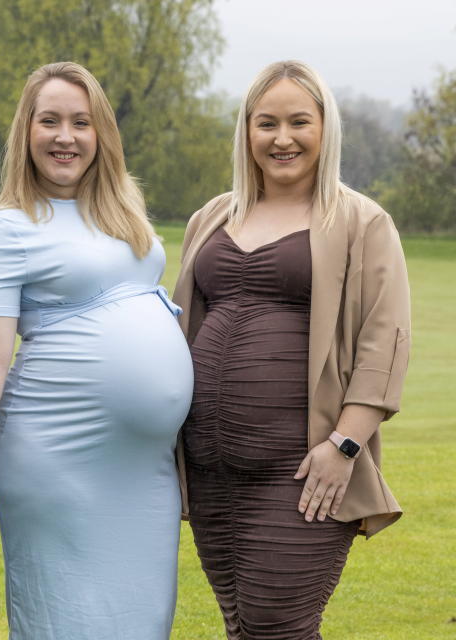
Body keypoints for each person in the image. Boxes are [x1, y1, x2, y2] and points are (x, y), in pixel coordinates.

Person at [173, 60, 410, 639]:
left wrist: (344, 444)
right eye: (266, 123)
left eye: (299, 122)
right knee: (242, 627)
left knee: (280, 628)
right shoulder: (211, 216)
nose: (282, 138)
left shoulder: (360, 221)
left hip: (303, 471)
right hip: (210, 472)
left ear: (325, 129)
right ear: (246, 131)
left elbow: (386, 340)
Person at [0, 61, 194, 639]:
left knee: (143, 622)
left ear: (101, 134)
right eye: (50, 121)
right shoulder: (5, 228)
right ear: (27, 132)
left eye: (80, 123)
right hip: (58, 454)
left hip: (144, 469)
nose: (65, 137)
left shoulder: (124, 213)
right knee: (68, 622)